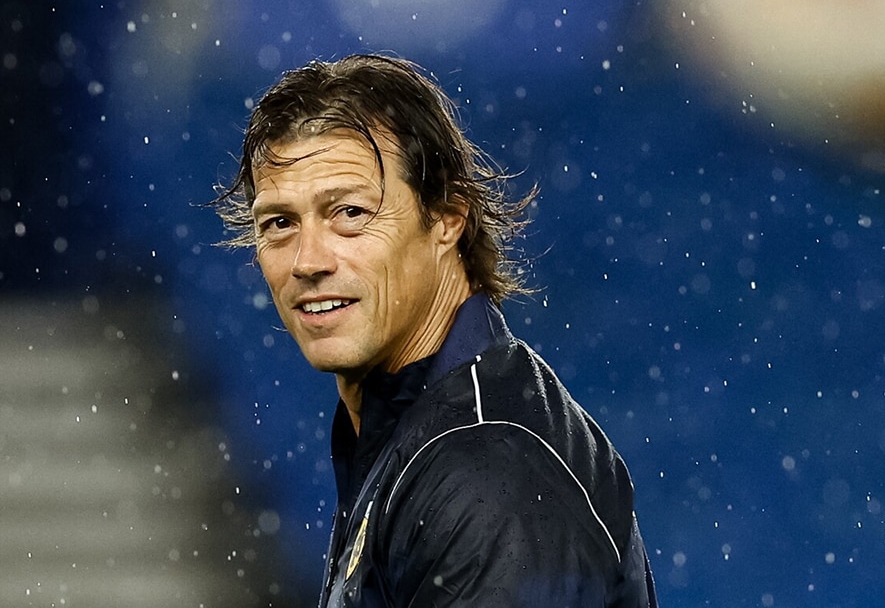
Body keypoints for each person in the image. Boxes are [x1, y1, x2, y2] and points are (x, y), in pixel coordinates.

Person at [214, 54, 658, 607]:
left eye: (350, 213)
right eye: (280, 223)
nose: (307, 261)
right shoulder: (412, 431)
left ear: (448, 217)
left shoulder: (486, 465)